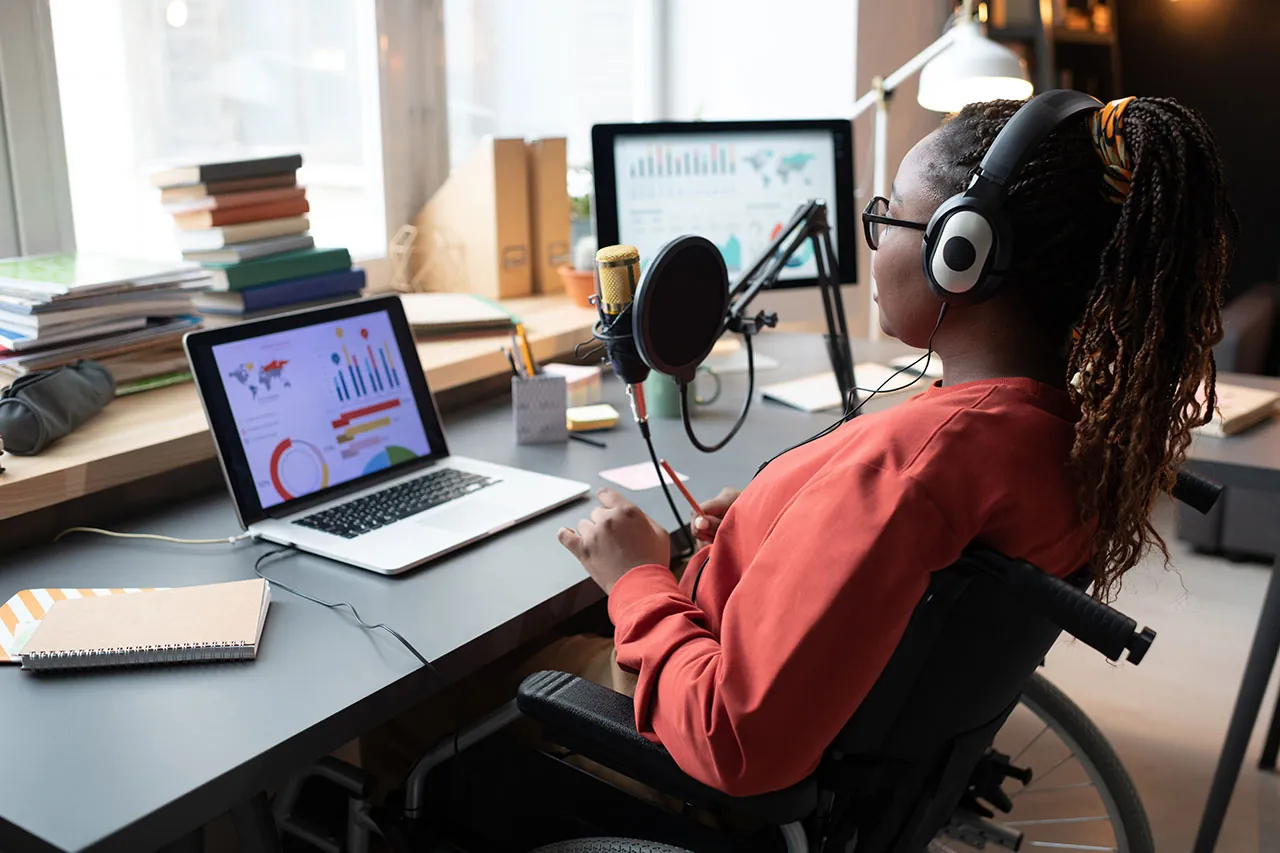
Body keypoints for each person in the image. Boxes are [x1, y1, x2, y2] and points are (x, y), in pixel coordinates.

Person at [362, 95, 1234, 806]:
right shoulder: (1042, 431)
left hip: (697, 762)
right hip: (843, 740)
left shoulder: (920, 461)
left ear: (962, 254)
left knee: (410, 703)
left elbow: (736, 741)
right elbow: (886, 561)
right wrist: (770, 532)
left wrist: (635, 577)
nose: (876, 231)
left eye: (888, 214)